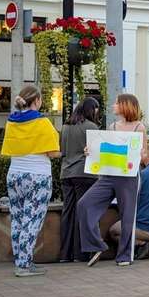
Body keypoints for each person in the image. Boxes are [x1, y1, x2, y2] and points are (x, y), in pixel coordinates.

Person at [78, 94, 148, 267]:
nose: (113, 105)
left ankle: (124, 255)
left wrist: (140, 155)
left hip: (129, 176)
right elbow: (106, 149)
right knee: (84, 204)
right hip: (109, 175)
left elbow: (144, 155)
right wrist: (90, 151)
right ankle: (97, 245)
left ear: (126, 105)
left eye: (116, 103)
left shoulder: (139, 127)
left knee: (127, 216)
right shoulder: (112, 126)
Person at [1, 85, 60, 277]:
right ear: (36, 101)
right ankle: (24, 265)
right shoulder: (43, 122)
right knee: (32, 220)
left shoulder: (11, 121)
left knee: (18, 219)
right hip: (38, 176)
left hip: (14, 175)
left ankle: (21, 261)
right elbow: (53, 152)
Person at [59, 97, 100, 263]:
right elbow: (97, 152)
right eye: (96, 109)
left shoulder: (65, 126)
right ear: (91, 110)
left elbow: (62, 151)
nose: (97, 112)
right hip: (84, 173)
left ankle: (65, 254)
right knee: (81, 212)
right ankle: (79, 254)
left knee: (67, 212)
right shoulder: (92, 127)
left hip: (66, 173)